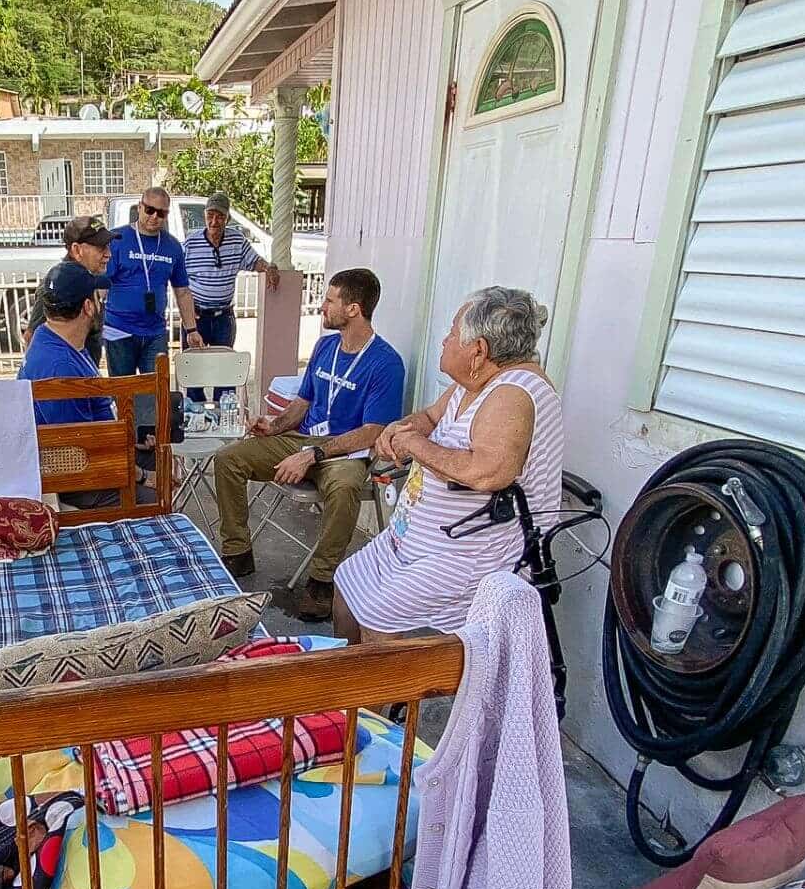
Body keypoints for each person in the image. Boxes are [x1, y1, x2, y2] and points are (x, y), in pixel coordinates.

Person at [333, 286, 566, 645]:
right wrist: (402, 429)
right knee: (348, 587)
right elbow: (429, 416)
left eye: (453, 332)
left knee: (379, 615)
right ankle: (340, 686)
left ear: (479, 350)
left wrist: (414, 444)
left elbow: (487, 472)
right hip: (419, 540)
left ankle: (367, 698)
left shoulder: (512, 394)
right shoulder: (476, 381)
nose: (445, 340)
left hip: (469, 553)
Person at [211, 267, 405, 621]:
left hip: (346, 451)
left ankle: (321, 580)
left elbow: (373, 432)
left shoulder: (386, 363)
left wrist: (313, 455)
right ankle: (237, 551)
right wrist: (274, 426)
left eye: (330, 300)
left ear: (353, 308)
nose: (323, 306)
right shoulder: (326, 345)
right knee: (228, 459)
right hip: (303, 440)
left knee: (346, 487)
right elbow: (302, 403)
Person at [18, 257, 149, 510]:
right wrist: (141, 475)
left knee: (157, 452)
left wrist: (130, 439)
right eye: (98, 297)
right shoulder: (61, 366)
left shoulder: (53, 338)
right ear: (89, 306)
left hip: (87, 455)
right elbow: (80, 451)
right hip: (76, 479)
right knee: (154, 497)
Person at [181, 192, 276, 401]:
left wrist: (269, 269)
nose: (214, 221)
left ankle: (223, 420)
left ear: (228, 219)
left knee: (225, 373)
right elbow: (179, 281)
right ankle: (198, 419)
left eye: (220, 216)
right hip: (196, 317)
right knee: (194, 373)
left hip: (224, 316)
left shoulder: (237, 241)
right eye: (210, 215)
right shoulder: (190, 243)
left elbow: (255, 262)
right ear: (204, 215)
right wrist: (188, 316)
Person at [100, 186, 199, 377]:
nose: (154, 216)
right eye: (150, 210)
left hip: (155, 332)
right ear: (139, 207)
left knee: (155, 394)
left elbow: (182, 291)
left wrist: (192, 329)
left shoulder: (172, 246)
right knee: (124, 394)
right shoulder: (117, 239)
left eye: (161, 213)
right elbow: (101, 286)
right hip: (119, 330)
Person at [22, 215, 111, 364]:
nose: (108, 254)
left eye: (108, 246)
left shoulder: (88, 279)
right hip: (67, 381)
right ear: (77, 250)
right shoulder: (58, 287)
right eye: (101, 247)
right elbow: (31, 338)